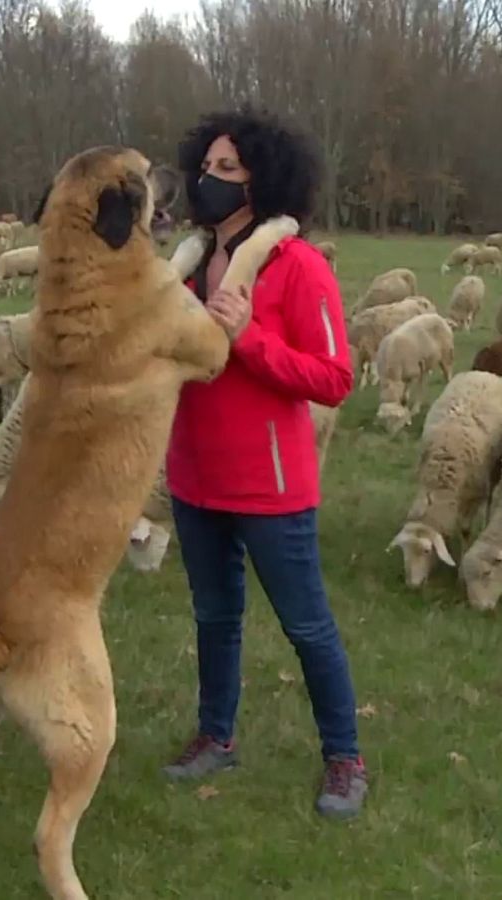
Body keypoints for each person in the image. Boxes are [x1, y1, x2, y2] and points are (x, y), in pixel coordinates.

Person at [160, 108, 367, 819]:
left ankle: (344, 758)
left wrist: (248, 339)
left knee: (307, 627)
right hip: (194, 479)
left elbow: (334, 377)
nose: (208, 180)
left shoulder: (298, 267)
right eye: (206, 167)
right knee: (215, 617)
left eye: (227, 170)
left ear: (262, 182)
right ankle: (216, 736)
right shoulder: (185, 269)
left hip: (272, 489)